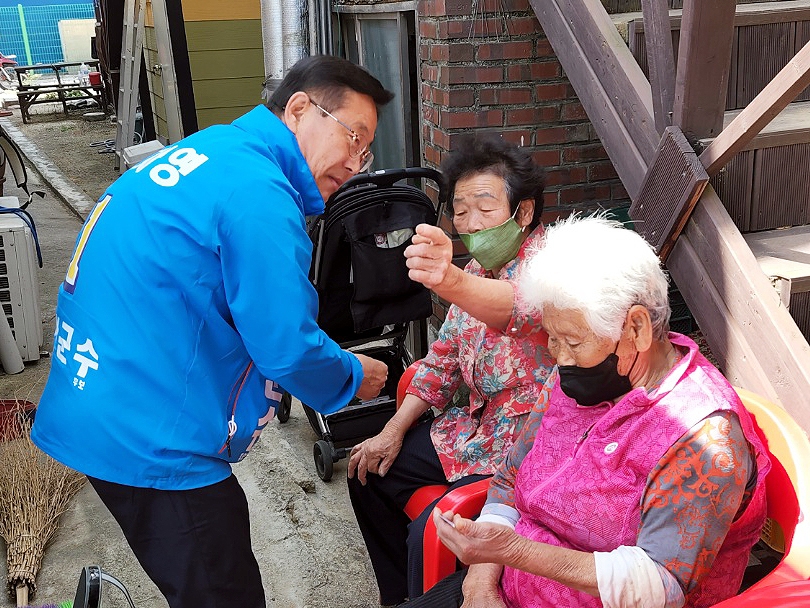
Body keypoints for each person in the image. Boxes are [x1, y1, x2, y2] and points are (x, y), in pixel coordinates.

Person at [30, 55, 391, 608]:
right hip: (151, 433)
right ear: (299, 110)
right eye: (354, 137)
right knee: (222, 593)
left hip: (101, 398)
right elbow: (286, 346)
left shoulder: (218, 151)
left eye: (366, 150)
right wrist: (350, 376)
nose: (357, 162)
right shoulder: (259, 193)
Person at [406, 215, 771, 608]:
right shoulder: (574, 376)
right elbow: (511, 476)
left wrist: (512, 552)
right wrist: (479, 587)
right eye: (554, 338)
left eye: (573, 342)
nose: (558, 357)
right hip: (500, 590)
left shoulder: (704, 436)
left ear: (636, 329)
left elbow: (659, 584)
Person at [347, 135, 556, 606]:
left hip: (526, 451)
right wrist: (393, 429)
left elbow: (523, 309)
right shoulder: (482, 267)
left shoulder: (553, 270)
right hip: (471, 432)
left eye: (484, 207)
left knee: (434, 527)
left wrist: (451, 280)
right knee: (367, 471)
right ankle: (400, 598)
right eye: (459, 210)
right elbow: (441, 362)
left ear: (523, 213)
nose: (468, 223)